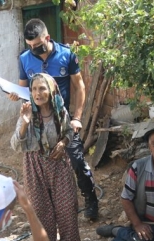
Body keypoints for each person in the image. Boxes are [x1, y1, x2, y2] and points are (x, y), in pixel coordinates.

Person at [8, 18, 99, 220]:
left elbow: (80, 87)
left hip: (63, 120)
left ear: (47, 38)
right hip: (37, 123)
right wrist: (16, 95)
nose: (34, 50)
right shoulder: (24, 59)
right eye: (30, 46)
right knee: (40, 166)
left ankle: (90, 199)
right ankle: (51, 208)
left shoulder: (66, 55)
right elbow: (24, 89)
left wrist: (76, 118)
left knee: (76, 161)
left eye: (37, 45)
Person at [10, 73, 82, 241]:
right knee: (41, 208)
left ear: (51, 90)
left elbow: (68, 131)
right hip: (34, 165)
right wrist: (24, 124)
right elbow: (15, 145)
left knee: (66, 205)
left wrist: (64, 142)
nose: (37, 93)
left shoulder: (60, 112)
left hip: (58, 163)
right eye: (34, 89)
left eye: (42, 88)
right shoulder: (27, 112)